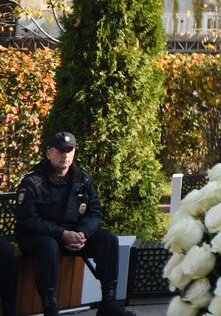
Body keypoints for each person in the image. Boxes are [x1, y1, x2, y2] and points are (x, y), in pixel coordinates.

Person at [16, 132, 136, 316]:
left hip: (74, 236)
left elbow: (95, 211)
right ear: (49, 153)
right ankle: (50, 306)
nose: (65, 155)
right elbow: (28, 220)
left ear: (74, 152)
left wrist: (83, 233)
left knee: (108, 240)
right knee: (48, 246)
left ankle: (108, 303)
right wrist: (61, 233)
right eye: (60, 151)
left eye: (69, 151)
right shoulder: (33, 181)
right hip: (41, 238)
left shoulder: (83, 178)